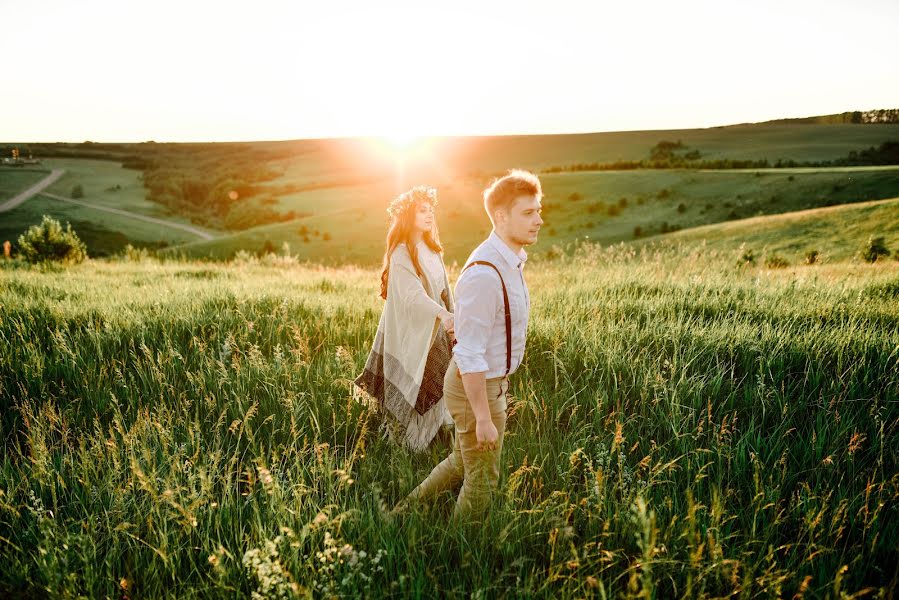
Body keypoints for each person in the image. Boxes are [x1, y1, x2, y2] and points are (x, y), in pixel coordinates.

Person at [396, 169, 543, 520]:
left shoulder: (511, 261)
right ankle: (459, 555)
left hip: (486, 384)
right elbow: (468, 353)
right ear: (501, 217)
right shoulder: (485, 274)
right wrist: (483, 417)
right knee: (482, 479)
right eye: (528, 212)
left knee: (463, 461)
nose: (539, 220)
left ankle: (402, 512)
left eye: (539, 210)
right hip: (477, 386)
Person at [354, 185, 456, 451]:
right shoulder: (401, 253)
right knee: (421, 384)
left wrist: (453, 317)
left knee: (443, 382)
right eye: (422, 210)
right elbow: (412, 296)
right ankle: (410, 448)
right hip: (415, 332)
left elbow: (445, 288)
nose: (429, 215)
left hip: (437, 328)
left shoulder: (432, 249)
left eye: (431, 210)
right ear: (408, 215)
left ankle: (440, 440)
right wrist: (443, 314)